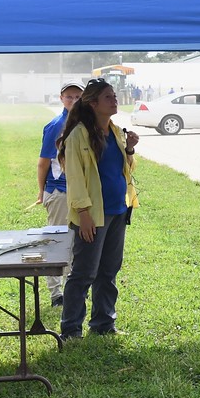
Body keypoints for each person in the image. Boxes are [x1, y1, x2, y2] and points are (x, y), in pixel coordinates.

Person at [60, 79, 138, 338]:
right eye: (108, 97)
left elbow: (124, 169)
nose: (114, 100)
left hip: (117, 210)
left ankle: (104, 324)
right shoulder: (78, 135)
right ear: (92, 104)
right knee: (83, 273)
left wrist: (129, 149)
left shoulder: (115, 130)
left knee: (109, 270)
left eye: (114, 96)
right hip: (92, 214)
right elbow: (75, 179)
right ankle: (71, 329)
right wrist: (83, 215)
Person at [35, 81, 83, 304]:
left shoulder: (84, 123)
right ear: (61, 98)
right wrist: (41, 191)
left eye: (77, 97)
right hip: (60, 191)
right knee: (57, 241)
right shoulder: (56, 125)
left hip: (81, 192)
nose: (73, 101)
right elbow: (43, 163)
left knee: (77, 243)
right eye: (69, 97)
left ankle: (74, 288)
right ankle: (56, 293)